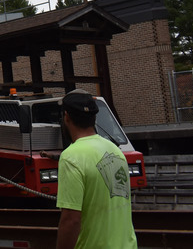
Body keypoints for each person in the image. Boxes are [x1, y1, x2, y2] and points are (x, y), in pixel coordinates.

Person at [56, 91, 136, 249]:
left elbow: (71, 220)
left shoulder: (71, 157)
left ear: (66, 117)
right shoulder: (115, 150)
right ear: (94, 118)